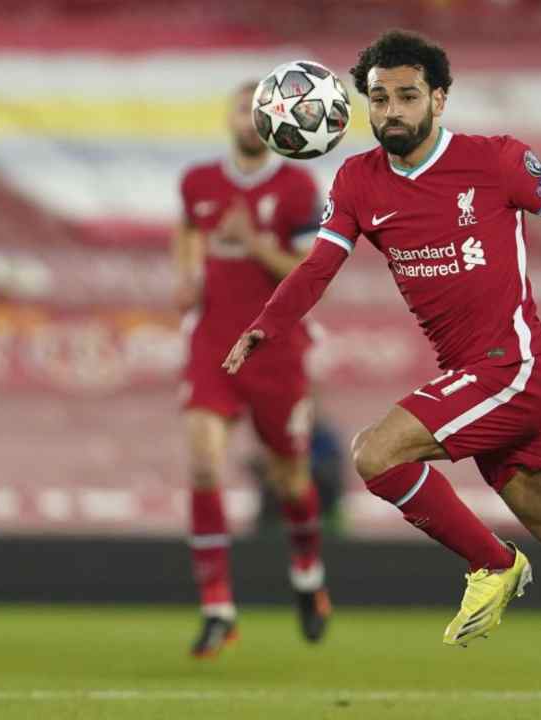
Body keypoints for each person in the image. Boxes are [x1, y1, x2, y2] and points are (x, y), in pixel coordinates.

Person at [223, 30, 541, 648]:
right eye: (379, 99)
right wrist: (267, 322)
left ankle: (493, 564)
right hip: (473, 373)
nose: (391, 111)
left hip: (515, 367)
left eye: (407, 96)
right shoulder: (356, 182)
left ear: (439, 100)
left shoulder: (495, 159)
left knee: (375, 454)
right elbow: (318, 266)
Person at [175, 81, 330, 658]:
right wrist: (187, 276)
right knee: (202, 463)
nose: (250, 117)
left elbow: (309, 270)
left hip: (275, 348)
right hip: (213, 342)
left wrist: (253, 242)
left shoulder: (295, 187)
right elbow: (189, 228)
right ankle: (218, 608)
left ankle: (308, 573)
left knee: (290, 479)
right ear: (230, 115)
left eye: (260, 110)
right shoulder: (199, 182)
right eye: (243, 106)